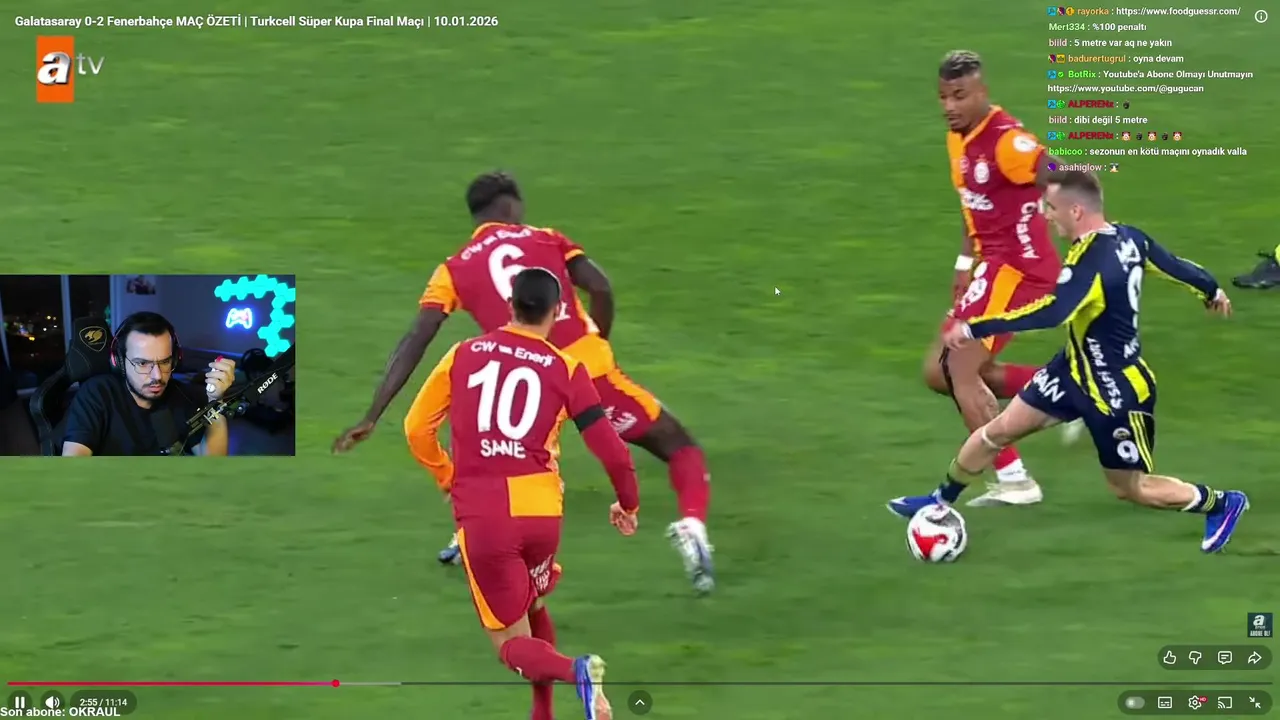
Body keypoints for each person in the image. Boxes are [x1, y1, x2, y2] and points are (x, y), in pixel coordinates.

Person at [333, 171, 715, 593]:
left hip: (523, 382)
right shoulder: (546, 238)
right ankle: (692, 526)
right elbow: (601, 287)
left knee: (506, 462)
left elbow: (417, 337)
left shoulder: (452, 269)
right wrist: (597, 343)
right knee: (679, 446)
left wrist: (372, 413)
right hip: (587, 374)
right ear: (511, 205)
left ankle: (472, 533)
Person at [889, 170, 1249, 553]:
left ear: (1076, 211)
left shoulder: (1090, 263)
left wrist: (975, 327)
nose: (1046, 215)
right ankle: (937, 502)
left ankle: (1222, 503)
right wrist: (1211, 289)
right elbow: (1174, 265)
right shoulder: (1129, 237)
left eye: (1051, 207)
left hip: (1113, 391)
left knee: (1131, 488)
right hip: (1071, 371)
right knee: (997, 432)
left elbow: (1052, 313)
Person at [404, 267, 640, 720]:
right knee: (533, 603)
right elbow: (612, 450)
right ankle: (543, 712)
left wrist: (448, 476)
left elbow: (416, 429)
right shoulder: (567, 367)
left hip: (486, 514)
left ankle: (577, 671)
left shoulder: (463, 354)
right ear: (558, 310)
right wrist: (627, 502)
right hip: (542, 511)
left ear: (510, 305)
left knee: (509, 644)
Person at [926, 49, 1076, 508]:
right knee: (939, 372)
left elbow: (1062, 175)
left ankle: (1015, 479)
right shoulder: (958, 138)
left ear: (982, 93)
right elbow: (974, 201)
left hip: (1020, 271)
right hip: (992, 267)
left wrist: (1079, 230)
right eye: (944, 97)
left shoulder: (1007, 142)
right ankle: (1070, 395)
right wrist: (963, 262)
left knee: (959, 367)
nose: (950, 106)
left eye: (960, 96)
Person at [62, 311, 236, 456]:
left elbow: (212, 463)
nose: (157, 376)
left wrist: (216, 402)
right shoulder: (97, 394)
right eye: (142, 363)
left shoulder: (182, 397)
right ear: (118, 361)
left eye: (165, 362)